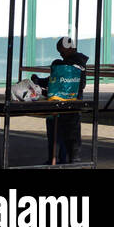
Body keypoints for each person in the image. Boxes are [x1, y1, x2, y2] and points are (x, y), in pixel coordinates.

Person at [32, 36, 88, 165]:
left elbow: (78, 84)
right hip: (65, 102)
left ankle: (66, 159)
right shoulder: (72, 62)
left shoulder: (75, 64)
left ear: (70, 48)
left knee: (67, 133)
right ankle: (58, 159)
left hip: (71, 103)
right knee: (61, 132)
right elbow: (54, 79)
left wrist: (43, 81)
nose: (61, 55)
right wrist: (40, 81)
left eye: (62, 51)